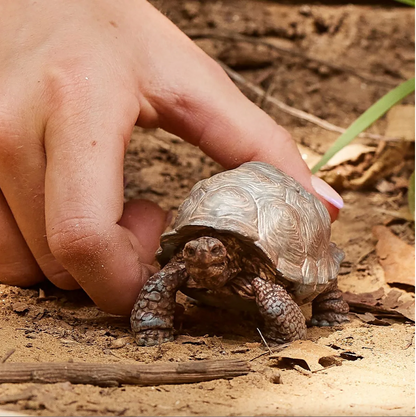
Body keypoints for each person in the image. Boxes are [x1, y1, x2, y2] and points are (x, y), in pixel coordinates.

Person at [0, 0, 343, 315]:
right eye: (192, 251)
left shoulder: (260, 279)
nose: (200, 257)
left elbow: (277, 297)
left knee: (276, 299)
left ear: (226, 256)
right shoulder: (183, 265)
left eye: (209, 253)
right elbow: (161, 281)